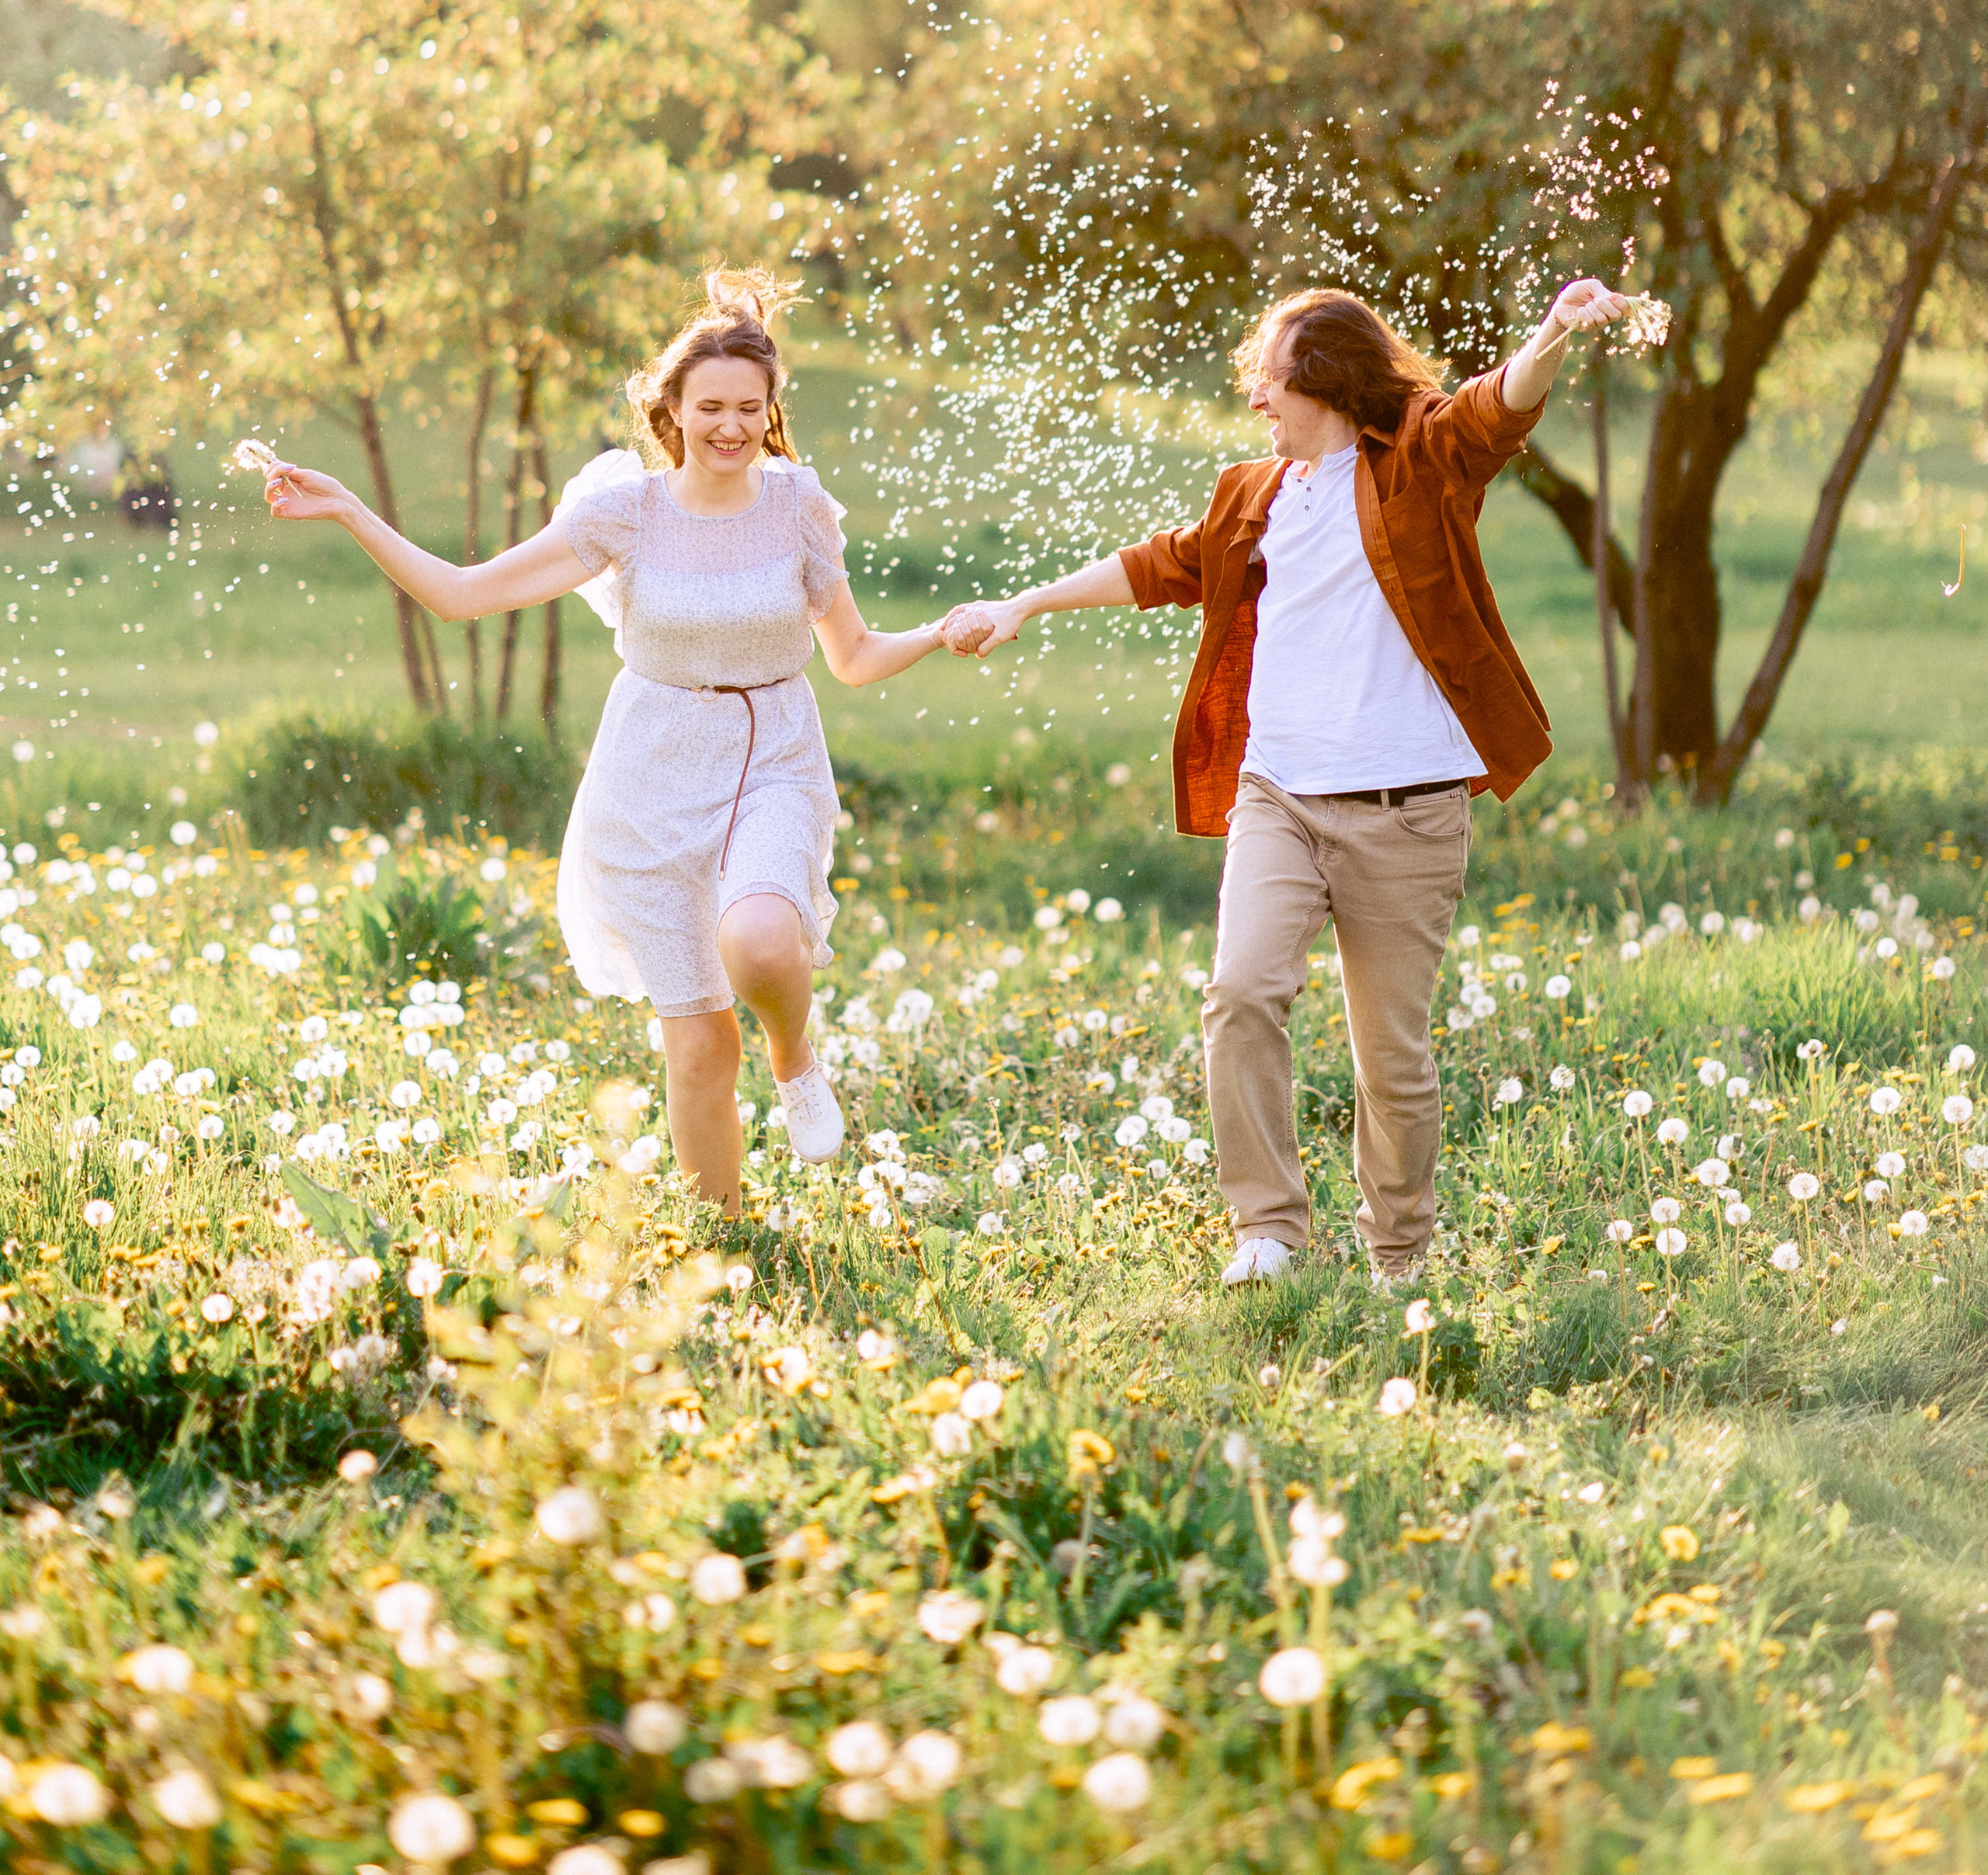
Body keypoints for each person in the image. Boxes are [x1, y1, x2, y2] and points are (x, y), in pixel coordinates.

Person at [942, 276, 1632, 1288]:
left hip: (1407, 809)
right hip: (1282, 796)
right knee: (1239, 992)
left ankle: (1397, 1258)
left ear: (1332, 388)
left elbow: (1498, 407)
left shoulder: (1422, 467)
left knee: (1389, 1055)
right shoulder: (1253, 496)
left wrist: (1553, 333)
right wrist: (1025, 605)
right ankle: (1266, 1229)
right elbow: (1160, 564)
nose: (1256, 401)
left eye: (1271, 383)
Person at [257, 269, 958, 1209]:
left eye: (750, 408)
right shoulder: (624, 513)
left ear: (770, 411)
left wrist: (941, 631)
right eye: (710, 405)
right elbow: (462, 595)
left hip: (772, 757)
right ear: (671, 407)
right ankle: (728, 1237)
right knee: (700, 1039)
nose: (730, 426)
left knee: (758, 939)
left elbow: (856, 656)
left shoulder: (797, 506)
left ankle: (795, 1059)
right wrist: (350, 509)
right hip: (649, 778)